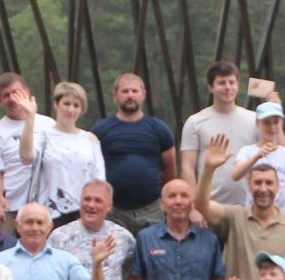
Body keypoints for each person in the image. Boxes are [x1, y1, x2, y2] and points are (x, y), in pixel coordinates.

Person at [194, 133, 285, 280]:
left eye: (269, 183)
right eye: (257, 182)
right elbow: (202, 205)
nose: (263, 188)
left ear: (278, 187)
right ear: (248, 185)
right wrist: (209, 169)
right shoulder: (234, 217)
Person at [91, 72, 175, 234]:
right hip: (114, 211)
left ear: (143, 95)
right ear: (115, 96)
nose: (130, 96)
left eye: (134, 91)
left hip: (151, 210)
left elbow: (169, 168)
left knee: (152, 257)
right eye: (125, 91)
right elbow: (92, 169)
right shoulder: (101, 130)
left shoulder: (159, 129)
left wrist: (162, 200)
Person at [180, 61, 257, 210]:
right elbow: (187, 167)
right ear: (210, 87)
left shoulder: (255, 120)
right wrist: (194, 208)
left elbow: (276, 149)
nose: (227, 87)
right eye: (221, 83)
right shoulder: (195, 122)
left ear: (238, 85)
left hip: (248, 207)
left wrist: (276, 112)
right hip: (209, 206)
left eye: (231, 82)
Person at [33, 82, 108, 225]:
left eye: (76, 105)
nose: (71, 109)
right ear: (56, 104)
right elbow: (26, 158)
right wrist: (30, 118)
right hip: (50, 213)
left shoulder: (90, 139)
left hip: (84, 212)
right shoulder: (42, 137)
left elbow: (99, 178)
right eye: (66, 103)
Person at [0, 72, 42, 217]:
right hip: (13, 205)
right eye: (6, 95)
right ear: (0, 101)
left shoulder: (48, 124)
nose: (12, 98)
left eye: (16, 92)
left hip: (45, 206)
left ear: (27, 92)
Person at [228, 100, 285, 212]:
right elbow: (235, 175)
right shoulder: (247, 151)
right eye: (267, 122)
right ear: (258, 123)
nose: (272, 127)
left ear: (281, 123)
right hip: (253, 216)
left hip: (281, 218)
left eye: (275, 122)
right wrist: (257, 156)